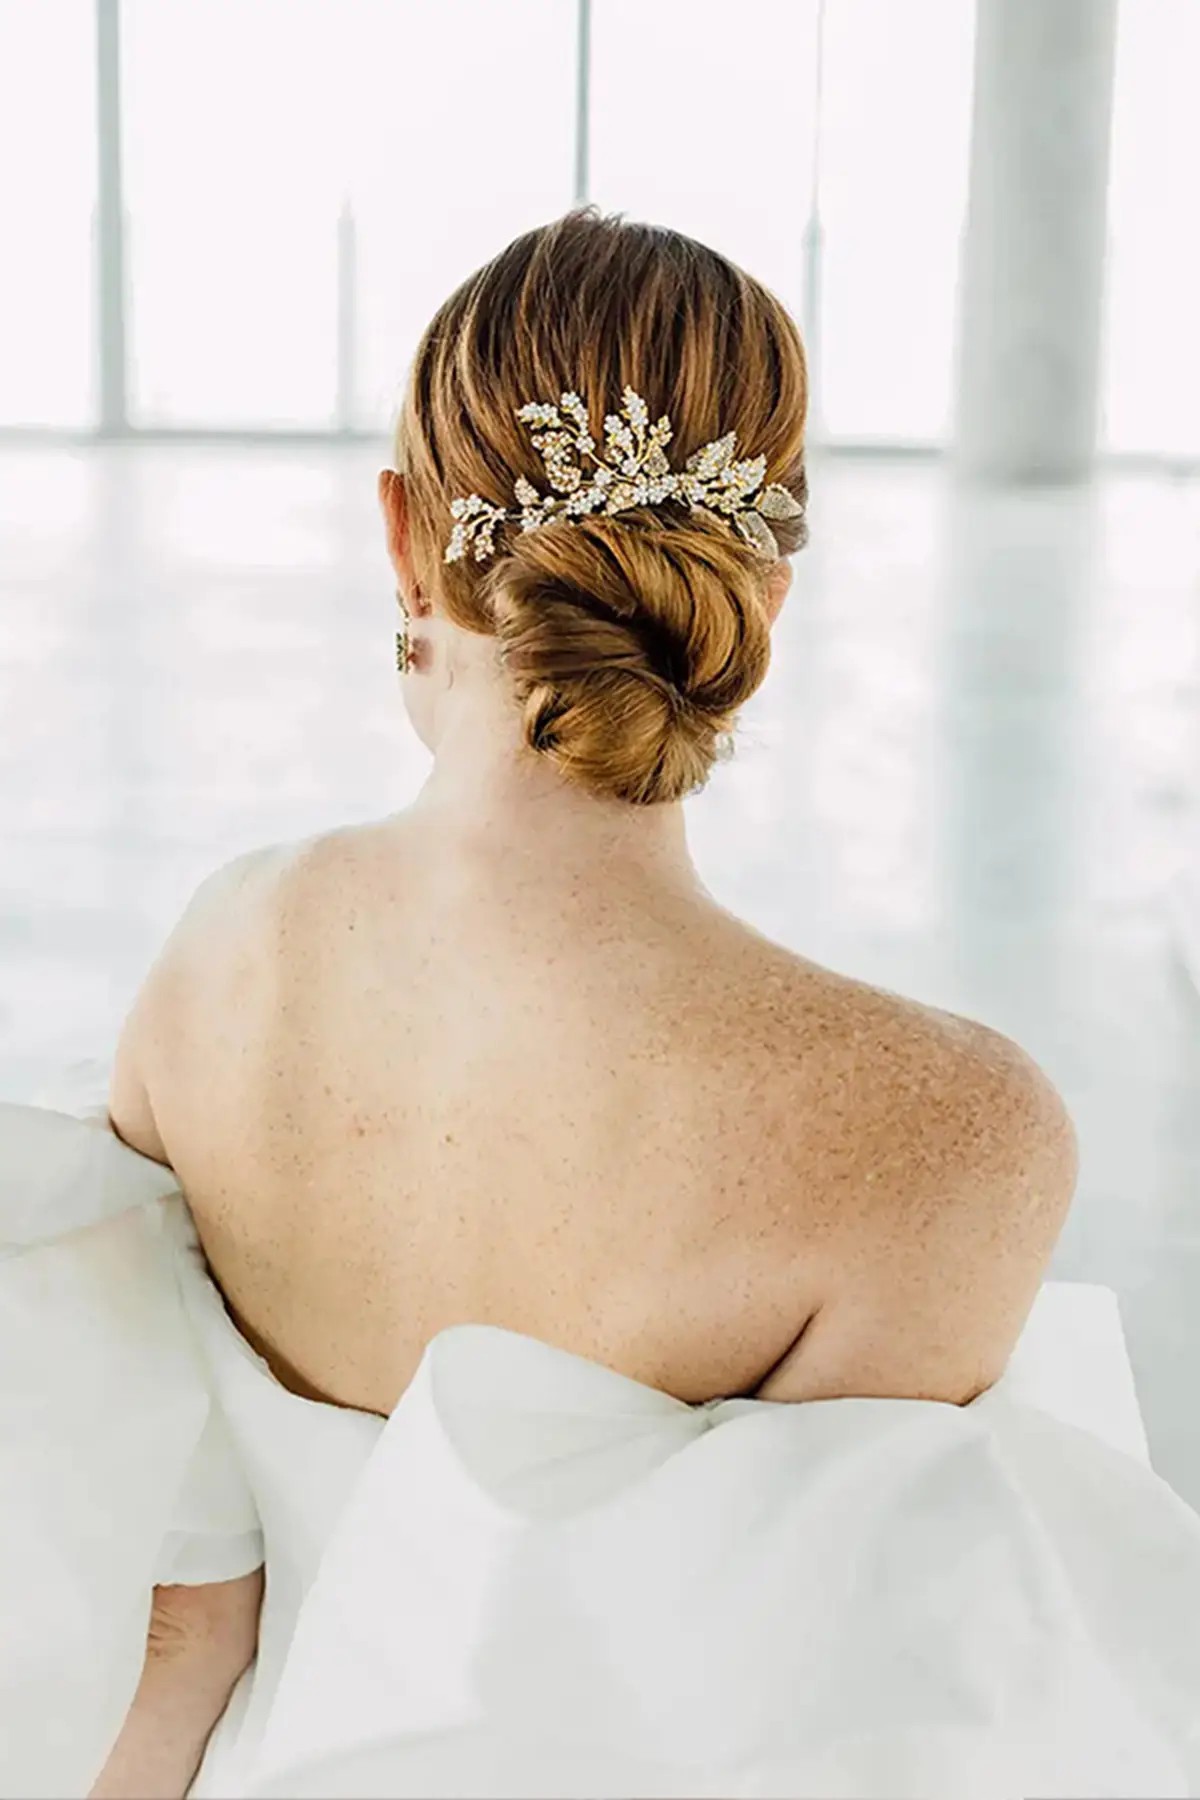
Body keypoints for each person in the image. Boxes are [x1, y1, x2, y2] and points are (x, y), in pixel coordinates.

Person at [5, 212, 1199, 1800]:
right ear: (765, 580)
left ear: (402, 536)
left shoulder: (217, 960)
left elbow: (179, 1611)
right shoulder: (946, 1138)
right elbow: (835, 1727)